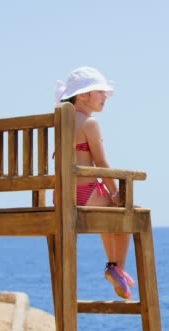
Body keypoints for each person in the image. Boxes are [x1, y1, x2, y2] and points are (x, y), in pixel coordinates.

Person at [55, 66, 134, 300]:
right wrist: (116, 190)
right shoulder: (89, 124)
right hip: (85, 192)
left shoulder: (62, 121)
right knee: (127, 211)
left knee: (107, 208)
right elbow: (100, 162)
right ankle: (116, 266)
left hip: (62, 194)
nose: (105, 97)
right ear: (83, 96)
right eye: (100, 92)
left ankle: (114, 267)